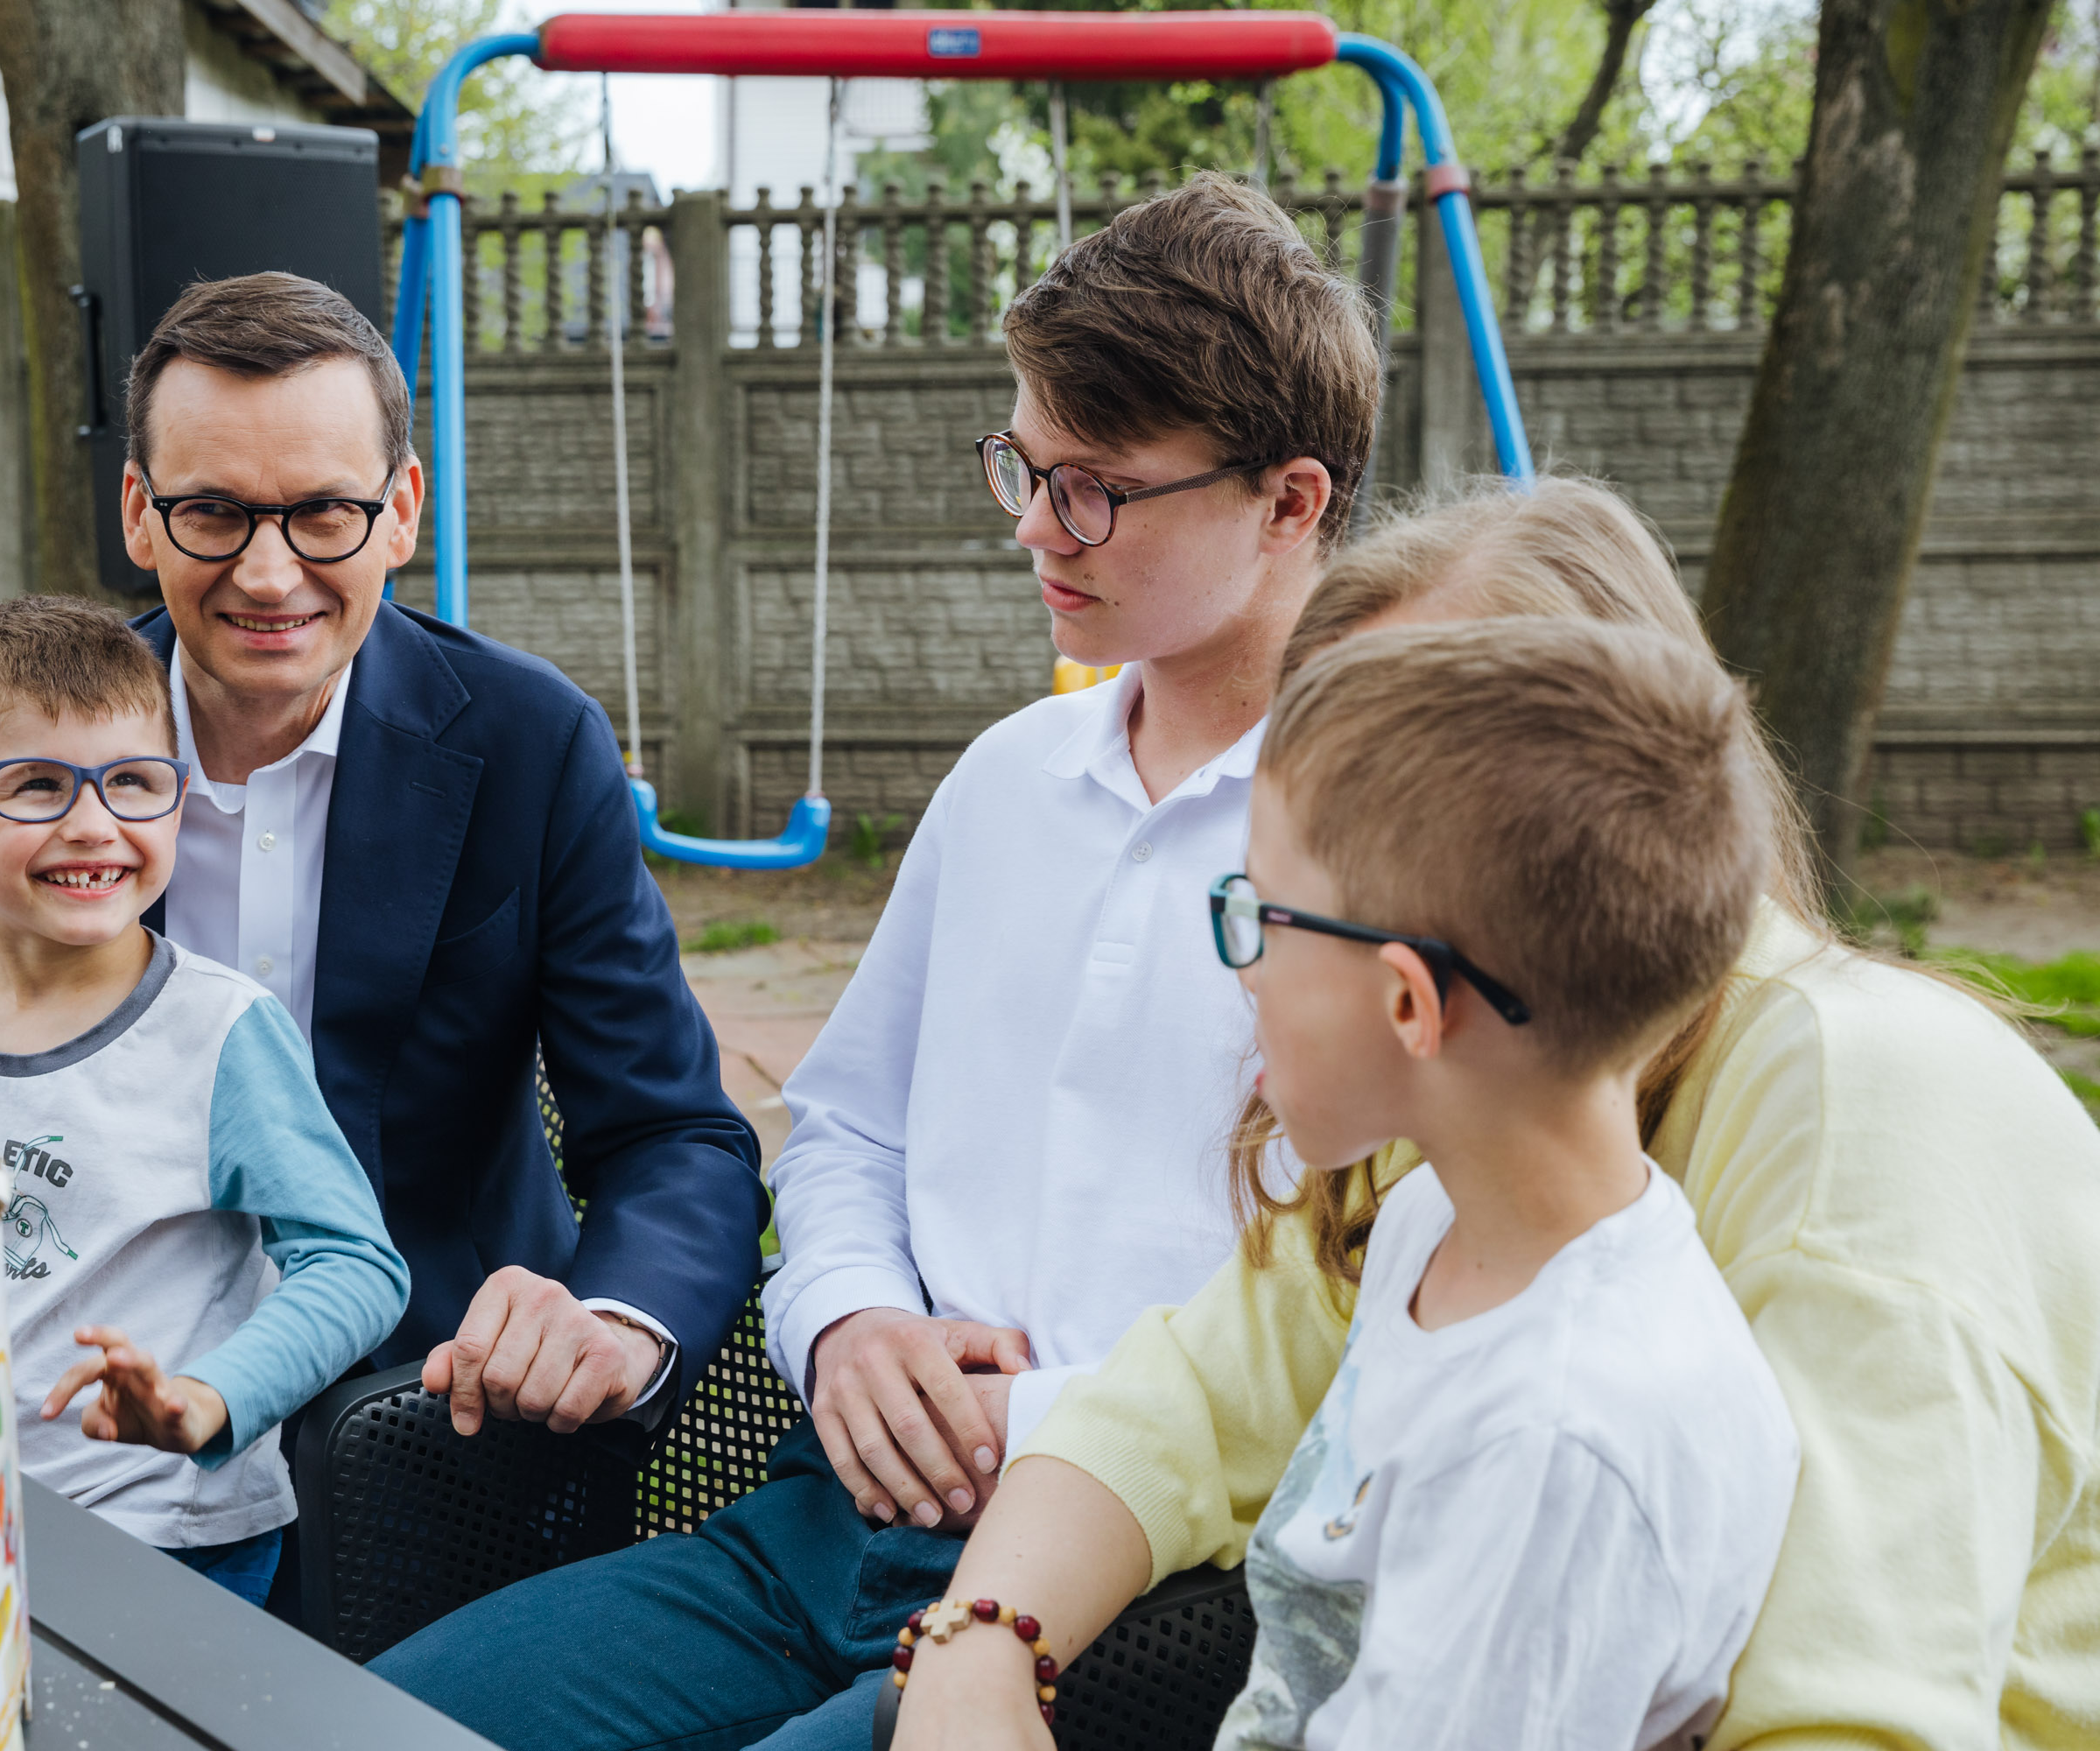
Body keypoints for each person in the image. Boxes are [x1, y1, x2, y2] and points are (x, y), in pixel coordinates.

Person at [371, 170, 1381, 1750]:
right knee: (355, 1721)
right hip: (824, 1523)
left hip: (1136, 1588)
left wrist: (1019, 1416)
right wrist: (848, 1325)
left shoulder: (1386, 850)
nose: (1034, 527)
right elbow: (847, 1127)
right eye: (1023, 466)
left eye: (1096, 489)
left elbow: (1378, 1292)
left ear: (1291, 502)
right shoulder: (1005, 783)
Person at [889, 480, 2100, 1749]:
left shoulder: (1856, 1130)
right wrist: (980, 1648)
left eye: (1395, 779)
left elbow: (1843, 1719)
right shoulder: (1478, 1119)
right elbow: (1197, 1394)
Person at [0, 273, 764, 1478]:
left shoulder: (532, 744)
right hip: (76, 1443)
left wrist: (614, 1323)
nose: (268, 573)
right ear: (137, 511)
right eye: (212, 511)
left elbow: (671, 1133)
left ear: (401, 511)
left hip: (434, 1421)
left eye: (324, 513)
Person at [907, 615, 1802, 1747]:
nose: (1240, 973)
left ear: (1408, 1004)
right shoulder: (1433, 1221)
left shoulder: (1551, 1447)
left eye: (1259, 918)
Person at [0, 596, 409, 1606]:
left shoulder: (221, 1030)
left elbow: (357, 1265)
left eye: (133, 782)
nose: (93, 824)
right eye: (36, 784)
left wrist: (207, 1396)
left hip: (168, 1533)